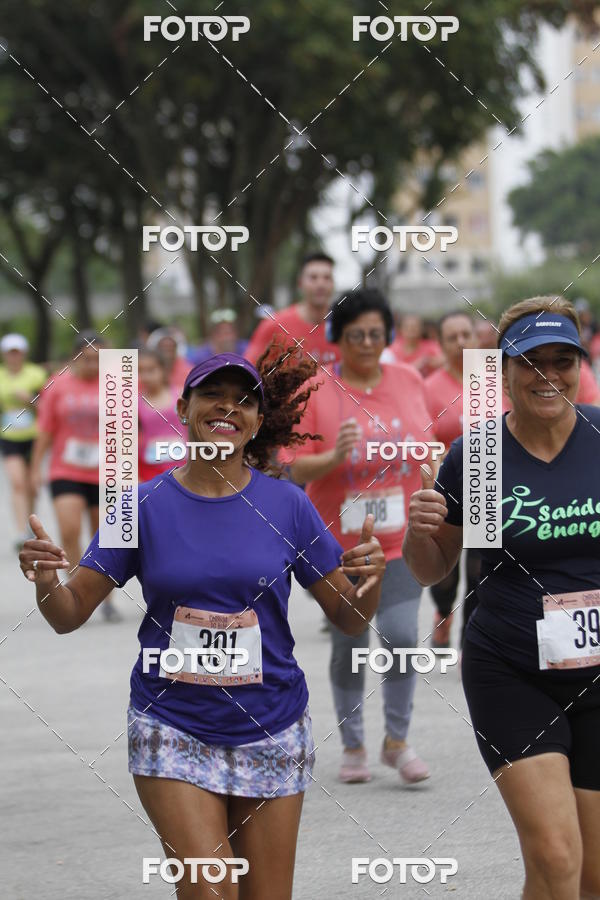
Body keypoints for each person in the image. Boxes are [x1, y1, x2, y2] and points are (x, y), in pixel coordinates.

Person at [19, 350, 385, 900]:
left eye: (244, 400)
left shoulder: (287, 505)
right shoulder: (136, 506)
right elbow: (69, 615)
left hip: (272, 725)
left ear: (258, 421)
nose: (227, 408)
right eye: (213, 395)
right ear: (184, 407)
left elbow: (350, 617)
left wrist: (371, 577)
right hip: (172, 724)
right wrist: (49, 580)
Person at [404, 296, 600, 899]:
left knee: (589, 876)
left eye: (561, 360)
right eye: (530, 362)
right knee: (556, 853)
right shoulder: (480, 455)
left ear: (579, 364)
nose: (548, 376)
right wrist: (421, 531)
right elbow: (431, 568)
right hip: (511, 670)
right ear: (504, 372)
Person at [288, 288, 434, 785]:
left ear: (387, 335)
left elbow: (432, 438)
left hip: (400, 540)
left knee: (400, 637)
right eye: (356, 335)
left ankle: (397, 741)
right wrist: (331, 458)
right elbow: (286, 465)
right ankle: (353, 745)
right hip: (337, 545)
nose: (367, 343)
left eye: (376, 333)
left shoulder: (409, 379)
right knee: (349, 643)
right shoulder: (318, 390)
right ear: (339, 338)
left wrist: (432, 460)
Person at [30, 331, 119, 621]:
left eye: (99, 360)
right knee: (68, 530)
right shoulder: (57, 384)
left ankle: (104, 598)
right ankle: (78, 591)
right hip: (65, 469)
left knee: (103, 536)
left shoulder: (118, 384)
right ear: (75, 358)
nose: (93, 365)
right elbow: (45, 428)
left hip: (106, 471)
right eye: (87, 359)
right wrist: (35, 468)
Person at [424, 312, 481, 649]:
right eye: (452, 337)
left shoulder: (494, 382)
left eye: (465, 334)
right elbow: (425, 441)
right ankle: (444, 611)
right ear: (441, 344)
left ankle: (471, 644)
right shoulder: (430, 388)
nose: (460, 342)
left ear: (475, 338)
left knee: (479, 571)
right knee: (445, 575)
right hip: (447, 492)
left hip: (490, 492)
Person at [244, 253, 339, 366]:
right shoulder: (274, 326)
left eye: (327, 278)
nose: (320, 284)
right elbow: (248, 371)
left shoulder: (344, 329)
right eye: (313, 278)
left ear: (333, 284)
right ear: (300, 284)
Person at [0, 333, 47, 548]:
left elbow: (47, 404)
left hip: (34, 435)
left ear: (24, 353)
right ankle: (20, 532)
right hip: (9, 435)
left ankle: (30, 523)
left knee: (31, 484)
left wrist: (30, 399)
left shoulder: (36, 374)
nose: (14, 357)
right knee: (17, 482)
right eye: (10, 353)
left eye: (17, 353)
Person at [138, 349, 182, 482]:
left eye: (151, 370)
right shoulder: (134, 402)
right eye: (140, 371)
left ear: (163, 370)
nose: (145, 376)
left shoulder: (181, 395)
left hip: (181, 465)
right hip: (149, 468)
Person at [382, 312, 442, 377]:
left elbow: (444, 359)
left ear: (421, 329)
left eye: (415, 327)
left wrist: (430, 361)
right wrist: (417, 364)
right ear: (401, 329)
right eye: (408, 327)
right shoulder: (392, 349)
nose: (411, 329)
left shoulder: (431, 346)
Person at [147, 326, 191, 393]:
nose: (167, 352)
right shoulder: (145, 371)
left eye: (170, 347)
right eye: (163, 347)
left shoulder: (188, 371)